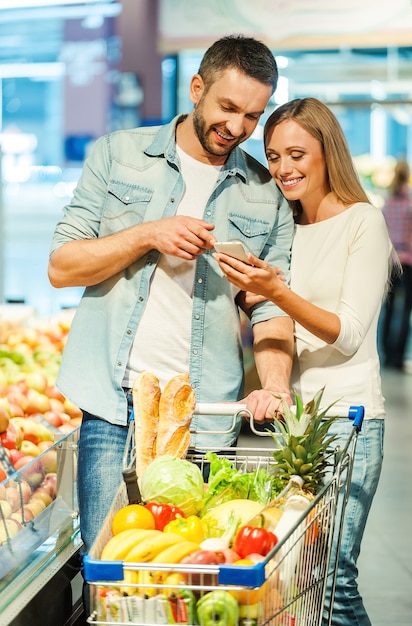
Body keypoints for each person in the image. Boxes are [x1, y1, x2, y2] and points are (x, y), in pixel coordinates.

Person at [48, 34, 295, 554]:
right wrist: (146, 233)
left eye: (252, 116)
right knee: (108, 566)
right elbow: (61, 266)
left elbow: (270, 306)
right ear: (196, 88)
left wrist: (275, 384)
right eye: (227, 107)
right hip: (114, 403)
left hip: (205, 414)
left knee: (189, 571)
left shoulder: (264, 194)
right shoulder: (118, 155)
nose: (237, 128)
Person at [215, 97, 395, 626]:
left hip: (348, 419)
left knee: (334, 577)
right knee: (297, 576)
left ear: (327, 152)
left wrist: (276, 290)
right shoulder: (284, 225)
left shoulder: (364, 221)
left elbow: (347, 334)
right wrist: (255, 300)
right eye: (272, 157)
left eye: (297, 154)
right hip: (296, 422)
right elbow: (278, 326)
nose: (283, 169)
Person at [381, 159, 412, 370]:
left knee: (389, 308)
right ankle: (399, 357)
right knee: (405, 312)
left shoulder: (388, 201)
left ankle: (386, 354)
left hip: (392, 261)